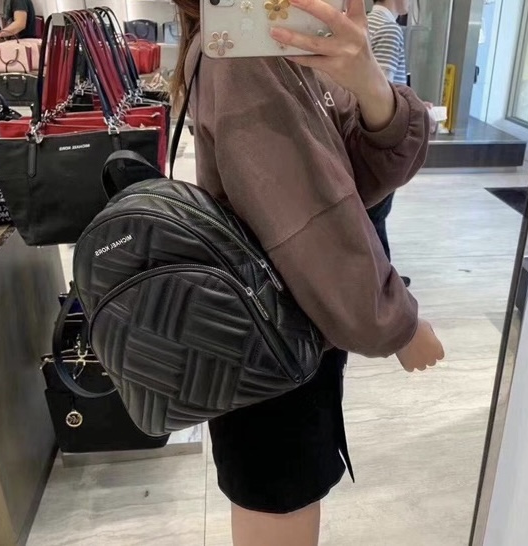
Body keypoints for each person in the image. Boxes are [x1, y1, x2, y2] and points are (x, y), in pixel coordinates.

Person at [171, 1, 445, 545]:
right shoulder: (244, 52)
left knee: (281, 503)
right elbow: (310, 221)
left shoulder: (270, 39)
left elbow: (358, 177)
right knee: (280, 505)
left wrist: (367, 80)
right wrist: (398, 324)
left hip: (286, 331)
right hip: (272, 345)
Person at [366, 0, 412, 285]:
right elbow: (379, 92)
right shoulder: (388, 28)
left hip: (361, 133)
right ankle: (384, 287)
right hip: (381, 135)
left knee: (371, 214)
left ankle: (381, 282)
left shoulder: (368, 22)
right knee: (377, 213)